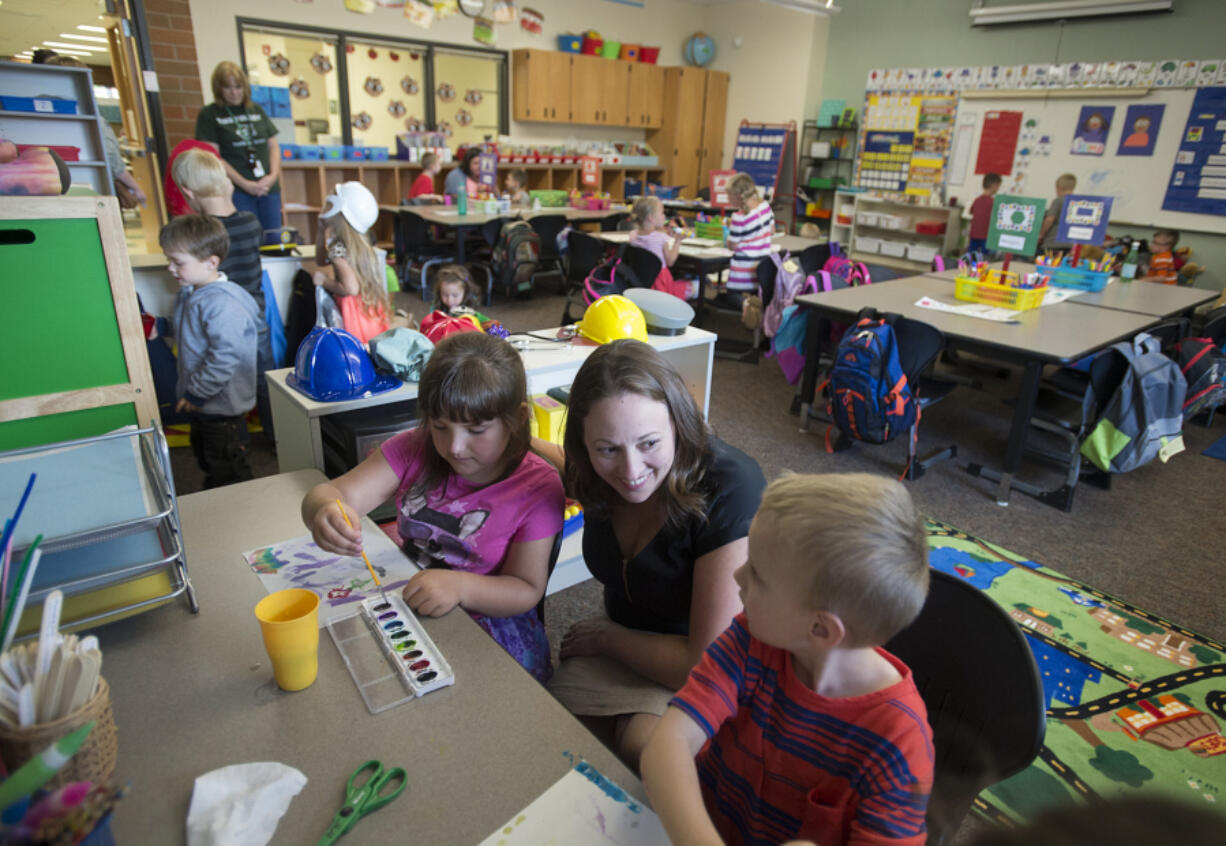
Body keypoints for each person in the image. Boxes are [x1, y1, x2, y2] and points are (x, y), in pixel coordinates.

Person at [642, 472, 934, 846]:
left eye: (758, 575)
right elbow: (668, 746)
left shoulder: (899, 745)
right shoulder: (753, 638)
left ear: (821, 630)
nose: (737, 574)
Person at [541, 340, 766, 769]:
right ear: (585, 445)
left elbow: (704, 663)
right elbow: (565, 466)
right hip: (626, 644)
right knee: (545, 731)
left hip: (695, 663)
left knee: (644, 752)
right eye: (607, 449)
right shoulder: (593, 472)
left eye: (648, 444)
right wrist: (512, 439)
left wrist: (609, 640)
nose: (629, 472)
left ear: (679, 424)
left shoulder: (730, 488)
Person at [301, 332, 565, 683]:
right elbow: (331, 493)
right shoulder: (414, 448)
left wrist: (460, 587)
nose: (454, 447)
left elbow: (526, 588)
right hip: (410, 606)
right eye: (440, 426)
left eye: (476, 429)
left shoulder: (537, 487)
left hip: (490, 625)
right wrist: (324, 511)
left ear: (517, 418)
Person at [172, 147, 277, 438]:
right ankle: (274, 437)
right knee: (264, 381)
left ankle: (231, 434)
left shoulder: (201, 237)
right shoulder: (250, 222)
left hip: (216, 320)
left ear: (187, 191)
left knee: (221, 381)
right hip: (254, 316)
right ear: (225, 183)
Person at [160, 215, 260, 489]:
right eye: (169, 260)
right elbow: (190, 330)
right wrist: (162, 326)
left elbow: (224, 357)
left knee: (228, 469)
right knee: (208, 459)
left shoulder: (222, 303)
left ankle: (239, 511)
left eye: (178, 262)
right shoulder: (193, 291)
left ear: (211, 262)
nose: (171, 268)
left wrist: (197, 393)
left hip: (220, 408)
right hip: (204, 405)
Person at [40, 54, 147, 210]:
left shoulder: (39, 115)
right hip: (95, 195)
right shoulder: (91, 118)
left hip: (50, 195)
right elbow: (111, 159)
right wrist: (136, 188)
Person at [195, 61, 282, 232]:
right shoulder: (210, 114)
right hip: (237, 190)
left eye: (238, 87)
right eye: (228, 87)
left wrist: (272, 176)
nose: (234, 92)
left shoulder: (255, 109)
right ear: (219, 88)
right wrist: (245, 184)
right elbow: (213, 156)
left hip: (267, 188)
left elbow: (273, 146)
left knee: (272, 235)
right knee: (245, 233)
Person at [312, 182, 390, 344]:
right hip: (367, 307)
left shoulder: (338, 249)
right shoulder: (359, 244)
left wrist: (324, 281)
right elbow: (321, 259)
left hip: (352, 311)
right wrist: (321, 231)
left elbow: (351, 288)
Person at [724, 172, 774, 308]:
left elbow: (732, 246)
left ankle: (747, 307)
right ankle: (755, 304)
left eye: (729, 195)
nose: (728, 199)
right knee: (754, 291)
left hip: (743, 268)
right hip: (761, 266)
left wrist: (729, 235)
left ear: (738, 196)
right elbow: (772, 230)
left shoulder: (739, 217)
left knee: (731, 295)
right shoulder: (765, 207)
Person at [629, 196, 694, 300]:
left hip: (641, 281)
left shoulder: (633, 235)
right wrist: (677, 240)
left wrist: (666, 234)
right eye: (662, 213)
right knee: (694, 285)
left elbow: (650, 239)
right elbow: (670, 261)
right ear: (651, 218)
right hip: (660, 283)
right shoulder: (661, 238)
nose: (665, 216)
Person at [1037, 172, 1076, 253]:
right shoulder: (1076, 203)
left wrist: (1041, 234)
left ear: (1059, 187)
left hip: (1053, 243)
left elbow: (1049, 219)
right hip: (1069, 244)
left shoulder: (1058, 201)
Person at [968, 172, 1001, 255]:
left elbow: (971, 211)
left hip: (974, 234)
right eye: (998, 186)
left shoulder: (977, 200)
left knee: (971, 257)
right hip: (986, 236)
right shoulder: (993, 202)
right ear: (994, 186)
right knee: (985, 259)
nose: (998, 188)